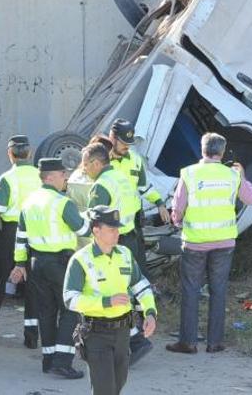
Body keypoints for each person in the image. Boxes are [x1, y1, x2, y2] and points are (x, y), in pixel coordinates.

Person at [166, 132, 252, 354]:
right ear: (222, 152)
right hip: (224, 244)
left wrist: (178, 221)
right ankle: (214, 342)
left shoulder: (188, 174)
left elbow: (177, 210)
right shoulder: (232, 176)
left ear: (202, 149)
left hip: (195, 243)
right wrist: (242, 177)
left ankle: (188, 342)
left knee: (191, 291)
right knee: (218, 291)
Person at [64, 205, 157, 395]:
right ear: (96, 231)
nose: (117, 233)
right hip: (96, 333)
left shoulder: (124, 254)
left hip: (123, 332)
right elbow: (70, 299)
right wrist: (106, 302)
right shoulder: (80, 259)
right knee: (105, 390)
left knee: (117, 385)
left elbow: (142, 286)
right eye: (112, 229)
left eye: (118, 228)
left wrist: (150, 312)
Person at [9, 157, 88, 379]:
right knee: (71, 310)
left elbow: (20, 237)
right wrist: (92, 218)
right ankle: (62, 362)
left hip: (36, 264)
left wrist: (19, 264)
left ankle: (48, 360)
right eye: (63, 174)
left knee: (46, 311)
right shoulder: (62, 202)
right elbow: (82, 230)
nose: (66, 178)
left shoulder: (29, 202)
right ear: (50, 177)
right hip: (60, 263)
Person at [82, 141, 154, 363]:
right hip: (128, 238)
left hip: (110, 243)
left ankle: (134, 342)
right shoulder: (122, 177)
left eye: (85, 164)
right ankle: (130, 341)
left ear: (95, 163)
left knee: (110, 295)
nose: (84, 169)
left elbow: (95, 221)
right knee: (123, 294)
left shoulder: (102, 186)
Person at [107, 119, 169, 363]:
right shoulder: (101, 158)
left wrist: (160, 202)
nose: (127, 147)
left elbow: (144, 186)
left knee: (137, 278)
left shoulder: (133, 159)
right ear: (112, 138)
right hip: (108, 234)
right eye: (123, 142)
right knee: (113, 284)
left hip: (131, 231)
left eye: (129, 143)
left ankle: (137, 329)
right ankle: (130, 338)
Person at [0, 135, 42, 349]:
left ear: (10, 154)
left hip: (12, 232)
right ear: (29, 153)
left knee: (2, 275)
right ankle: (31, 334)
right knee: (33, 282)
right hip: (36, 231)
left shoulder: (8, 178)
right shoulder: (40, 176)